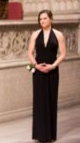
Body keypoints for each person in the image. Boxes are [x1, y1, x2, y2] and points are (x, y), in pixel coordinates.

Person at [27, 10, 66, 142]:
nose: (42, 21)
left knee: (51, 100)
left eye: (44, 18)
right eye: (40, 19)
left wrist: (53, 66)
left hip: (52, 71)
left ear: (51, 19)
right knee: (39, 102)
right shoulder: (35, 34)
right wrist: (36, 65)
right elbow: (30, 53)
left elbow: (62, 54)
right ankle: (39, 134)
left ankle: (50, 135)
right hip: (38, 71)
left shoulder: (59, 35)